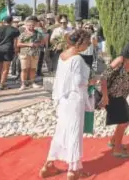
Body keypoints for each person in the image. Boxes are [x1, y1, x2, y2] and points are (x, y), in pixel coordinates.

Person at [39, 29, 92, 180]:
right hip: (74, 100)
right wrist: (91, 82)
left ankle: (49, 164)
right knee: (74, 132)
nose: (88, 45)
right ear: (80, 42)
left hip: (63, 100)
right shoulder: (77, 59)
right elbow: (78, 82)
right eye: (87, 42)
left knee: (61, 131)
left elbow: (61, 79)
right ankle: (73, 170)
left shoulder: (62, 56)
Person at [17, 16, 46, 91]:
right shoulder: (23, 34)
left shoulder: (38, 33)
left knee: (33, 69)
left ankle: (32, 83)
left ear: (35, 25)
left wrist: (38, 44)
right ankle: (23, 84)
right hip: (24, 53)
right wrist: (28, 44)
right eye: (29, 25)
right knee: (24, 69)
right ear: (26, 25)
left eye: (33, 25)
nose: (31, 27)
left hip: (35, 53)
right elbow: (18, 44)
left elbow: (42, 43)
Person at [0, 16, 20, 90]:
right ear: (11, 21)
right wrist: (16, 50)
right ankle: (2, 85)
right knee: (5, 68)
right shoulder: (15, 30)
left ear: (3, 21)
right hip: (8, 49)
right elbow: (15, 41)